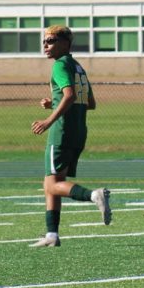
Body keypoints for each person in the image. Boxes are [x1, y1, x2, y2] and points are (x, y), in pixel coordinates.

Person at [30, 25, 111, 246]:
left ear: (66, 43)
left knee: (51, 185)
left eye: (51, 41)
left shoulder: (60, 65)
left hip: (61, 132)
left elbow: (69, 95)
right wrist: (53, 105)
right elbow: (89, 103)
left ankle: (93, 195)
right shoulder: (78, 67)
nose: (46, 45)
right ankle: (52, 235)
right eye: (44, 42)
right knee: (52, 182)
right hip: (78, 131)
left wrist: (49, 120)